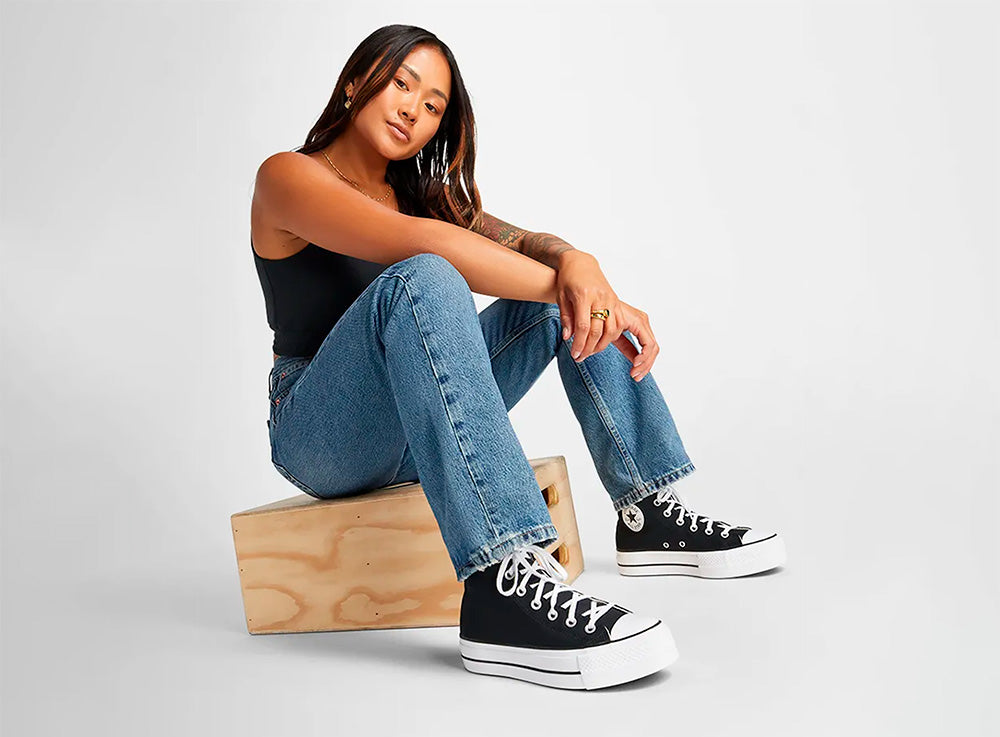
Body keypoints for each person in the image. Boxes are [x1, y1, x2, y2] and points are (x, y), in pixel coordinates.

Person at [250, 24, 786, 691]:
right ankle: (500, 585)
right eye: (401, 84)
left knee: (554, 304)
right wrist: (591, 296)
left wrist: (580, 265)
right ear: (357, 82)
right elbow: (422, 244)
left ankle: (647, 510)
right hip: (320, 435)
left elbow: (527, 243)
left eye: (434, 105)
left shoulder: (425, 197)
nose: (413, 110)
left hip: (415, 423)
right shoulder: (287, 178)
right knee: (432, 275)